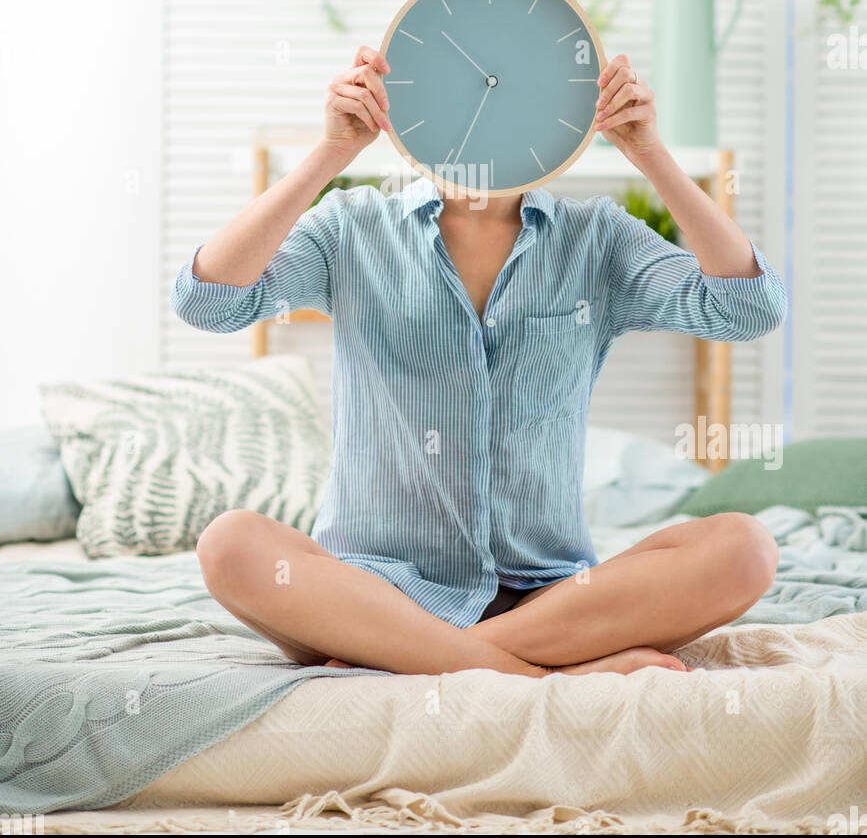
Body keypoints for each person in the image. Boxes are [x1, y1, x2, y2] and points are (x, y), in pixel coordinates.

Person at [172, 37, 786, 679]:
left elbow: (748, 309)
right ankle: (543, 676)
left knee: (744, 548)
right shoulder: (351, 229)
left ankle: (431, 659)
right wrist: (331, 152)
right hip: (372, 594)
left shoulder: (596, 240)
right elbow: (208, 302)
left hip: (548, 597)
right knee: (231, 545)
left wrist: (648, 154)